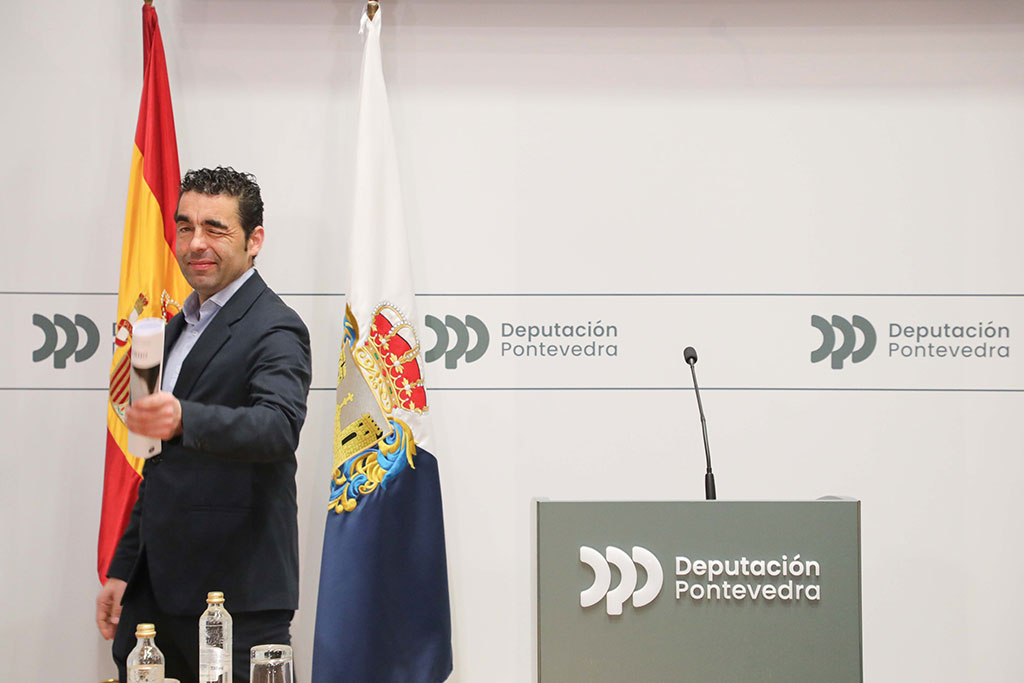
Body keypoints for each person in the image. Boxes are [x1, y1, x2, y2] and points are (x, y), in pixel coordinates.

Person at [95, 167, 312, 682]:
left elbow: (277, 426)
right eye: (185, 226)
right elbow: (158, 466)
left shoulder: (276, 326)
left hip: (235, 597)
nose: (196, 243)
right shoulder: (170, 331)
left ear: (254, 240)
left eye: (215, 229)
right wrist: (125, 568)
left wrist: (184, 416)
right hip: (154, 596)